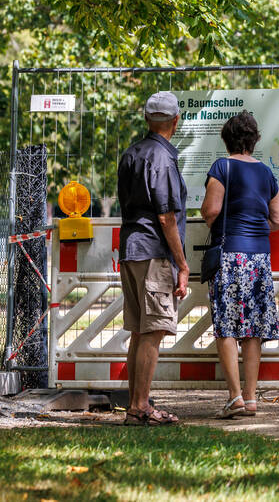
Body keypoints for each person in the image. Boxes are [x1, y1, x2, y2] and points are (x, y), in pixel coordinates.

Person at [201, 110, 279, 418]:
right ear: (254, 140)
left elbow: (211, 210)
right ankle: (251, 398)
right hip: (259, 258)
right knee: (252, 330)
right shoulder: (266, 173)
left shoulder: (222, 167)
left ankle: (234, 397)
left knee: (226, 326)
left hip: (230, 255)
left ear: (226, 140)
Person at [116, 91, 189, 426]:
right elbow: (166, 217)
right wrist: (182, 264)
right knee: (153, 331)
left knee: (139, 330)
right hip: (153, 251)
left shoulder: (131, 154)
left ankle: (135, 404)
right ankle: (141, 406)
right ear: (175, 121)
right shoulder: (163, 159)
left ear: (147, 119)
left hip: (131, 246)